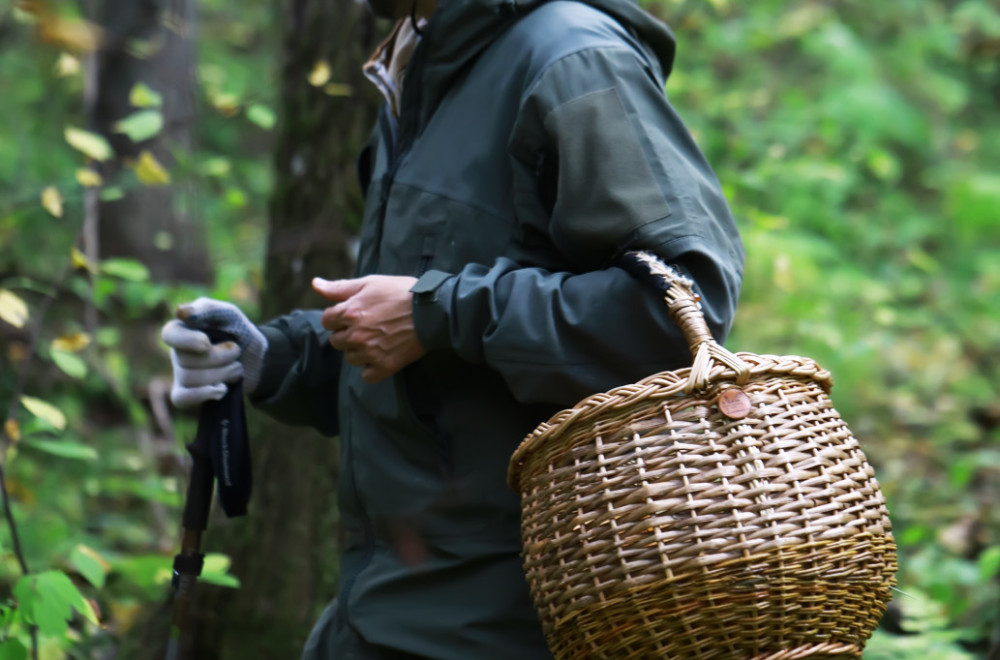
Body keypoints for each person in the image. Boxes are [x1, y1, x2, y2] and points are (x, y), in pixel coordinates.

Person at [161, 0, 745, 655]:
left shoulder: (571, 57)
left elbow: (684, 305)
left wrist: (438, 312)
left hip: (516, 622)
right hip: (378, 611)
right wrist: (274, 358)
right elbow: (424, 356)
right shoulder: (422, 67)